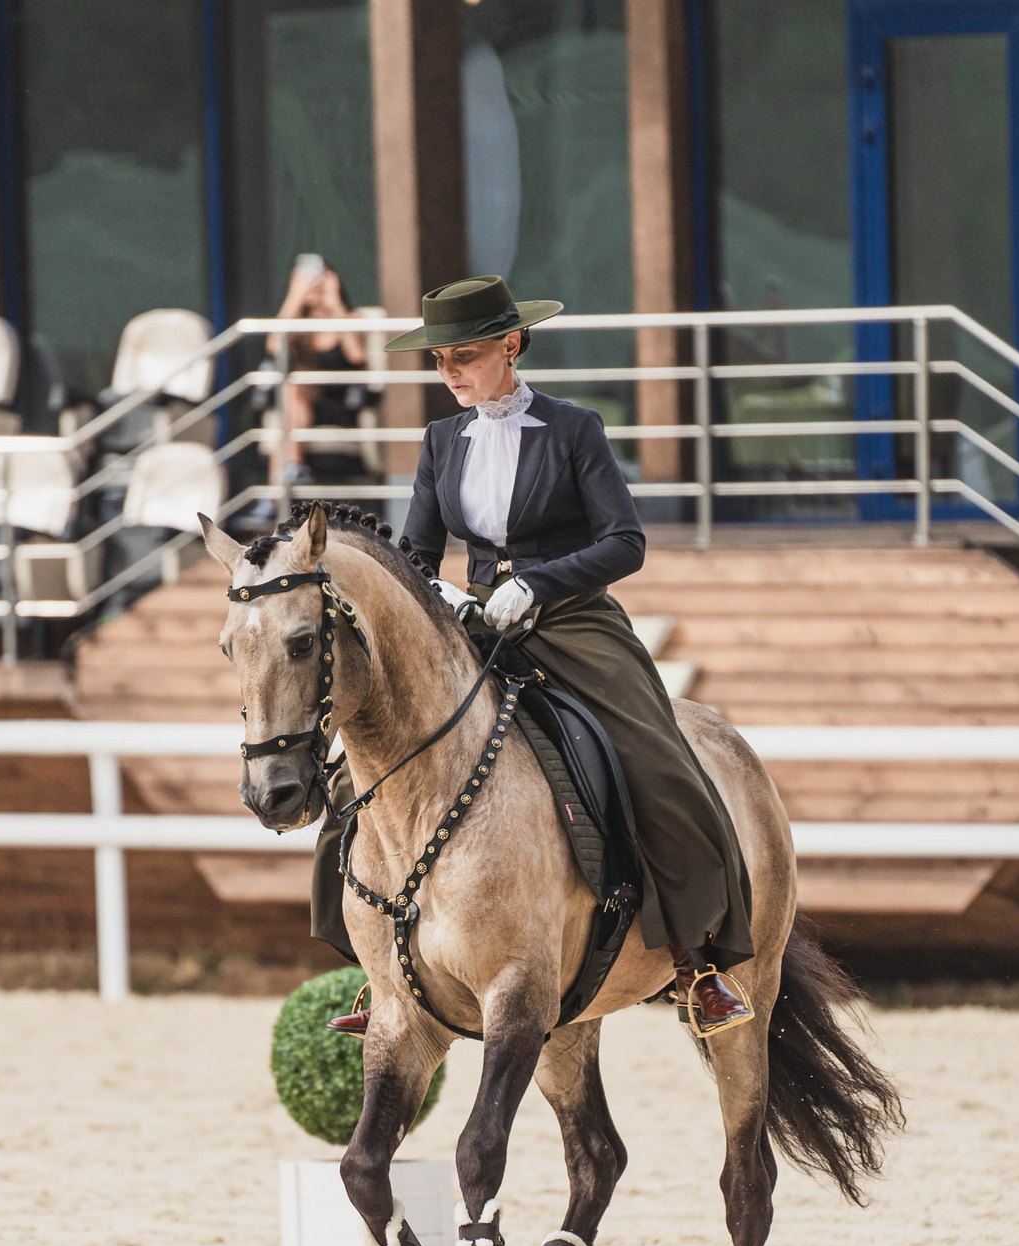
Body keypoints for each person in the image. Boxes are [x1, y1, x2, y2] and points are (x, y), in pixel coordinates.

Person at [324, 274, 755, 1039]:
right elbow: (415, 554)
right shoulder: (438, 440)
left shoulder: (573, 428)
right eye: (439, 360)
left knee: (659, 762)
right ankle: (377, 973)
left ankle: (700, 959)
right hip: (474, 628)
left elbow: (626, 541)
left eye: (464, 355)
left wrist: (539, 584)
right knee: (351, 776)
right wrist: (445, 598)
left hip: (573, 622)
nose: (449, 372)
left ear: (511, 345)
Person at [254, 255, 372, 524]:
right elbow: (274, 346)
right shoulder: (296, 325)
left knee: (292, 392)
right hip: (298, 406)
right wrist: (295, 297)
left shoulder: (349, 318)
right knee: (292, 390)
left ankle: (276, 488)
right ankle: (291, 469)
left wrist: (335, 304)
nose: (313, 287)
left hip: (337, 404)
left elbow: (356, 355)